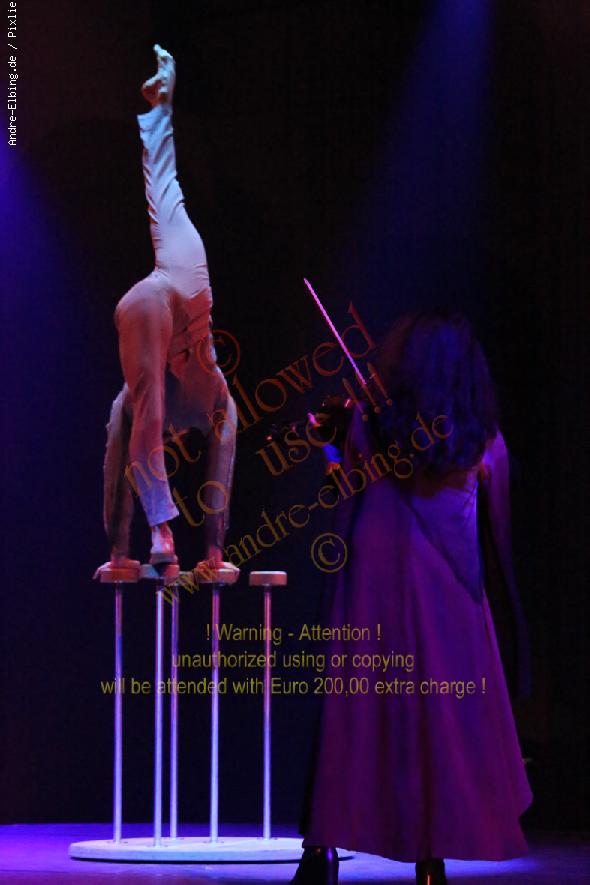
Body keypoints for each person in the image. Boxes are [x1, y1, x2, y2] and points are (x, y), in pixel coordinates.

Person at [293, 312, 533, 885]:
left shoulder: (369, 424)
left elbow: (344, 501)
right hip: (449, 596)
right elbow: (497, 537)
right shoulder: (483, 438)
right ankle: (431, 860)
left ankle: (320, 852)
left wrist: (328, 447)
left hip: (374, 592)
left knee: (356, 719)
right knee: (439, 721)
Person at [98, 46, 236, 573]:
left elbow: (128, 448)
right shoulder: (212, 399)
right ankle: (167, 538)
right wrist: (215, 549)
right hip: (181, 296)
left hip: (174, 291)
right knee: (144, 410)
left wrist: (119, 553)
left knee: (139, 412)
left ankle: (162, 535)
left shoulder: (186, 401)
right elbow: (221, 446)